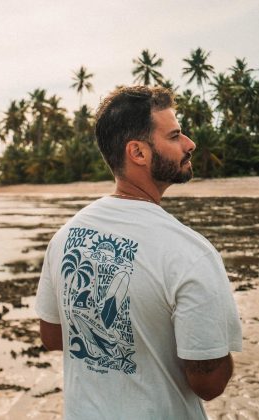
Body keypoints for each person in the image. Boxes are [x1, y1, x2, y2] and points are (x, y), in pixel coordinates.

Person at [35, 86, 242, 419]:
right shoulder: (190, 253)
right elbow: (210, 383)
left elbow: (52, 336)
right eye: (174, 136)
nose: (190, 144)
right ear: (139, 153)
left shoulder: (65, 236)